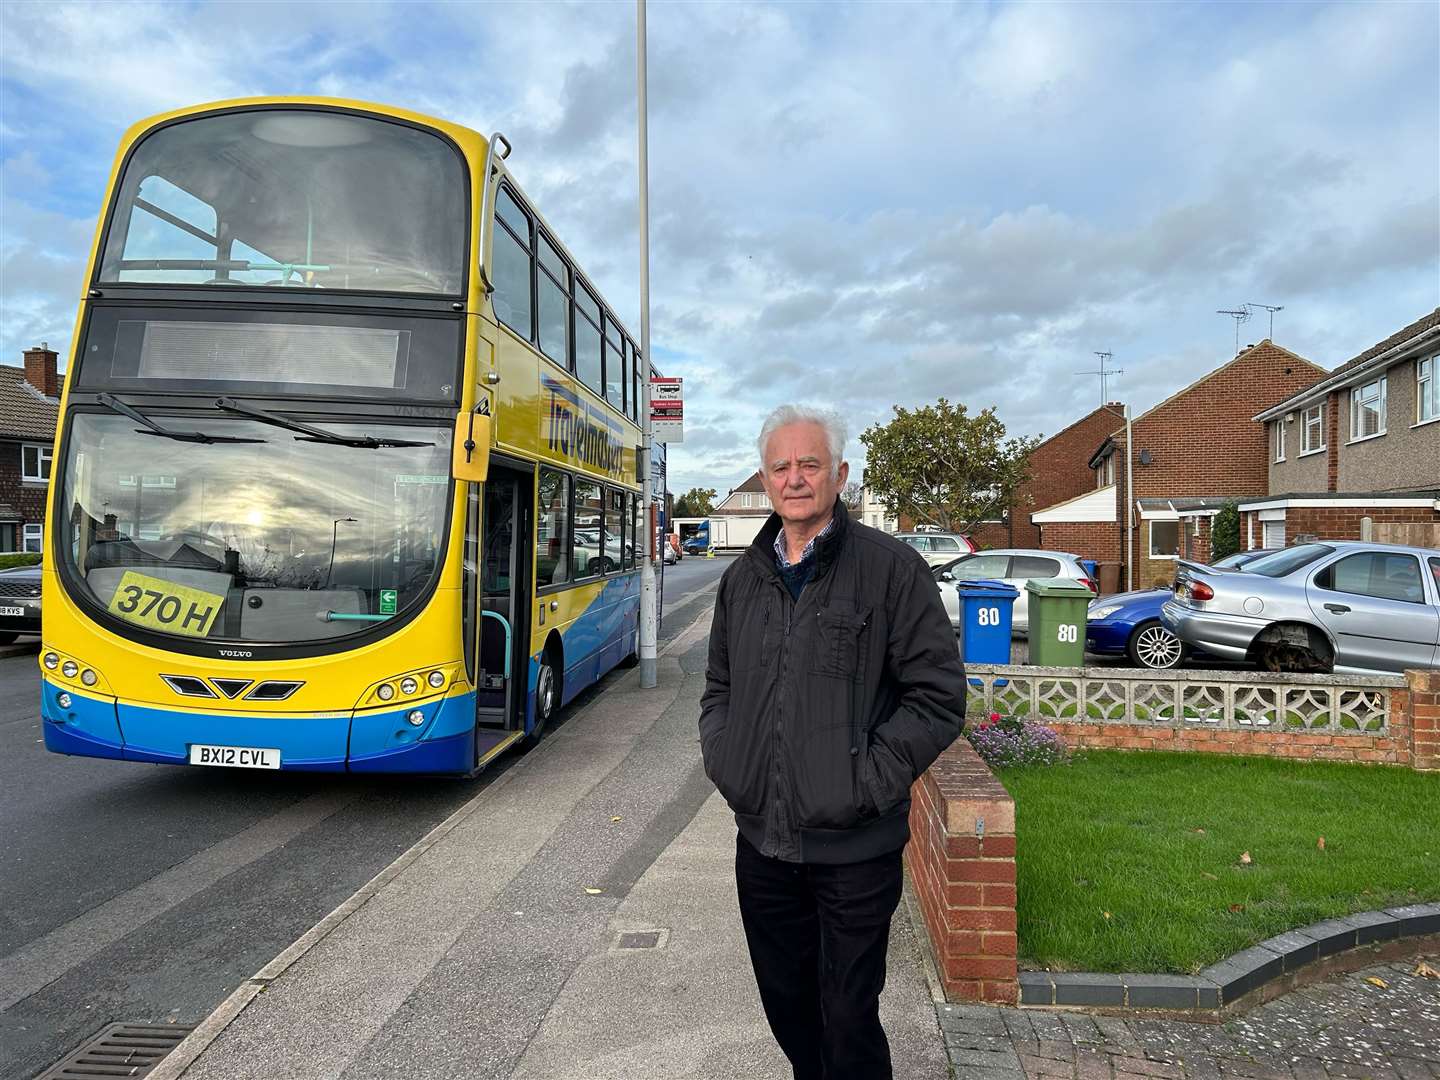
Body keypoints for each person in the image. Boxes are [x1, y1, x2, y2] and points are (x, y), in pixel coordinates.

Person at [699, 404, 966, 1080]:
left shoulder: (892, 570)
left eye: (809, 464)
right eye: (781, 466)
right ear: (765, 478)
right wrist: (729, 761)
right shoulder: (742, 581)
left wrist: (865, 783)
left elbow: (936, 697)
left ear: (839, 475)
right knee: (788, 1008)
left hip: (855, 850)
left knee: (847, 1015)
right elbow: (719, 689)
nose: (795, 478)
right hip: (763, 846)